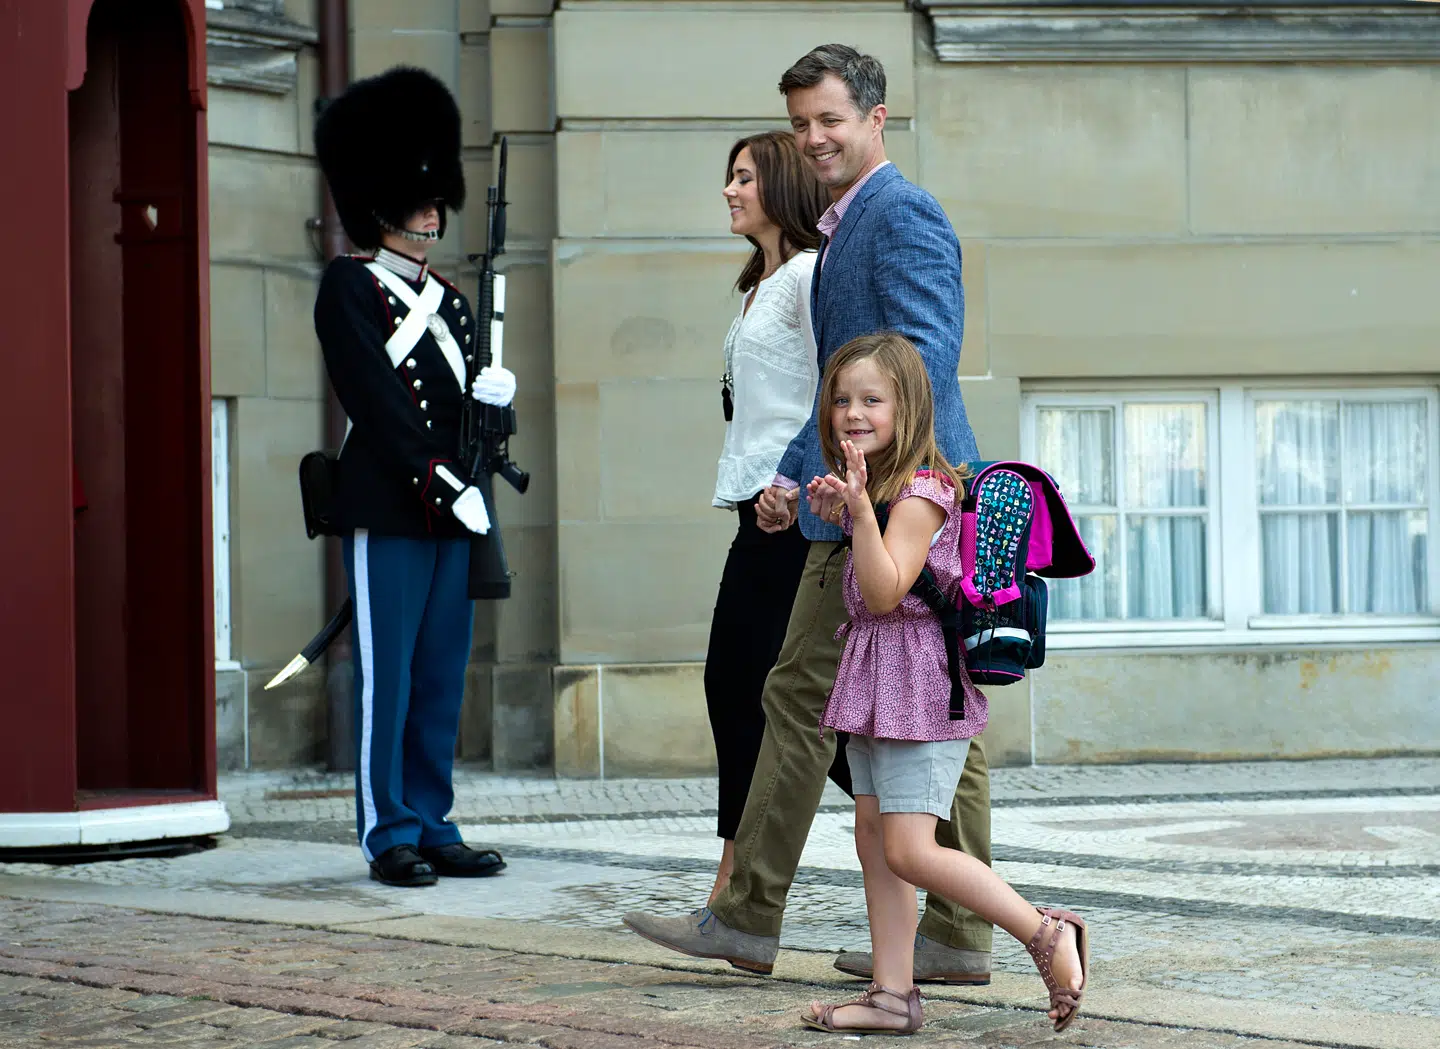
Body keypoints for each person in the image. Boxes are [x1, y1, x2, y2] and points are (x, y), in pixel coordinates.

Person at [623, 43, 993, 983]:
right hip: (858, 500)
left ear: (876, 118)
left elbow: (918, 363)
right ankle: (954, 934)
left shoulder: (900, 212)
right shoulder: (841, 231)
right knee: (945, 717)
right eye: (800, 123)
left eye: (829, 119)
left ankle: (747, 916)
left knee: (796, 695)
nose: (813, 138)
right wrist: (794, 472)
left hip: (891, 511)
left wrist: (863, 494)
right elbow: (837, 388)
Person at [797, 333, 1088, 1035]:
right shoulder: (886, 489)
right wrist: (854, 508)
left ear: (910, 407)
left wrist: (862, 513)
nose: (852, 412)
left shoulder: (924, 488)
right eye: (842, 398)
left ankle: (1046, 933)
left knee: (909, 846)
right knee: (874, 835)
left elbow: (888, 587)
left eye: (872, 399)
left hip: (920, 687)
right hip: (879, 681)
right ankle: (892, 994)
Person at [313, 66, 514, 887]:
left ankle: (432, 818)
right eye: (417, 197)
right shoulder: (350, 288)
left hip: (454, 513)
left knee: (439, 676)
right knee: (386, 677)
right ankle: (386, 826)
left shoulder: (456, 302)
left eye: (435, 198)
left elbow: (468, 417)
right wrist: (440, 480)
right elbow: (378, 400)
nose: (432, 211)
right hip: (395, 506)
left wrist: (498, 410)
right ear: (379, 201)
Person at [703, 130, 852, 904]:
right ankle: (737, 882)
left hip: (791, 516)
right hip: (753, 514)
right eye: (728, 178)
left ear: (783, 185)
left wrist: (800, 480)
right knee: (750, 690)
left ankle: (738, 888)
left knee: (763, 693)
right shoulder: (758, 284)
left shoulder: (804, 276)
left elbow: (840, 387)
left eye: (744, 177)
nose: (729, 190)